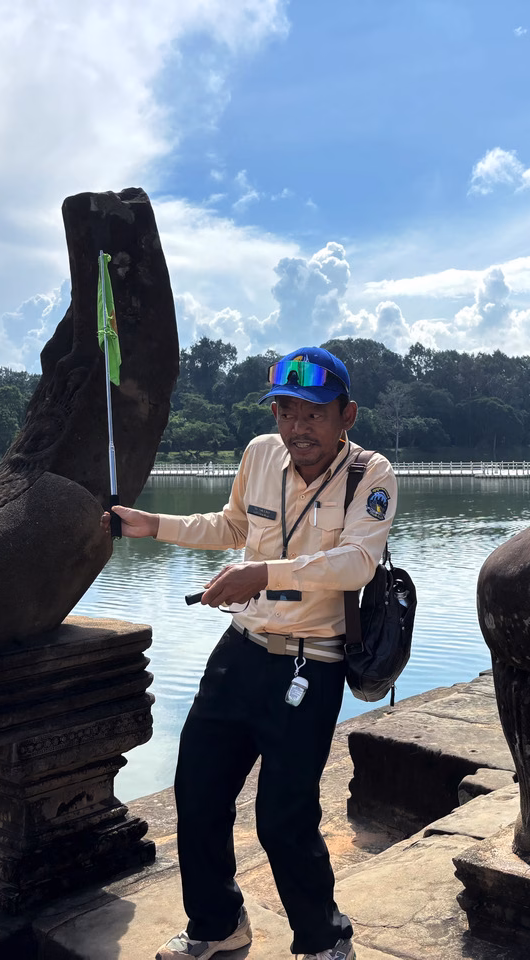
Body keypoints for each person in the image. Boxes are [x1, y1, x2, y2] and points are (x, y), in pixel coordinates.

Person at [104, 346, 396, 960]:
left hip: (311, 664)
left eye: (314, 413)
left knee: (284, 817)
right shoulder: (262, 454)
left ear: (348, 416)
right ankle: (217, 924)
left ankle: (323, 937)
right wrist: (152, 525)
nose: (297, 427)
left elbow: (358, 563)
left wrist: (263, 573)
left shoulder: (372, 475)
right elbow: (233, 526)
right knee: (198, 791)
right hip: (240, 651)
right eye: (286, 412)